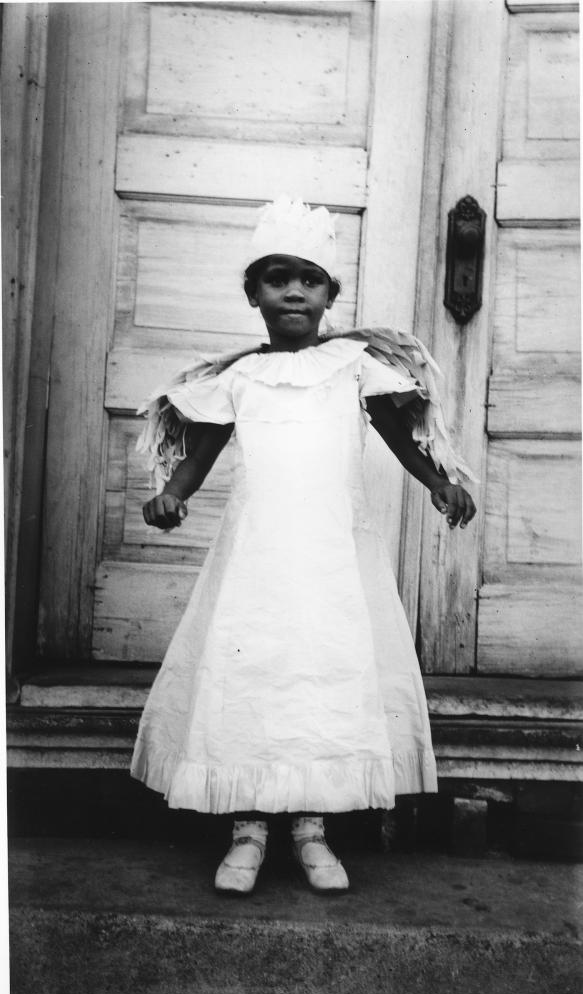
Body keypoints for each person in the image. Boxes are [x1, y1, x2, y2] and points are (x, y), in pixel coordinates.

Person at [131, 197, 476, 895]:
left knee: (320, 677)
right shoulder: (240, 378)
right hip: (257, 559)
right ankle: (248, 829)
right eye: (277, 277)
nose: (294, 291)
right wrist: (173, 496)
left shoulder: (351, 367)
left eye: (309, 279)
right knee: (253, 673)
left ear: (329, 296)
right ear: (253, 294)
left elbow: (397, 435)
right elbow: (201, 452)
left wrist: (439, 482)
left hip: (330, 560)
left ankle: (312, 828)